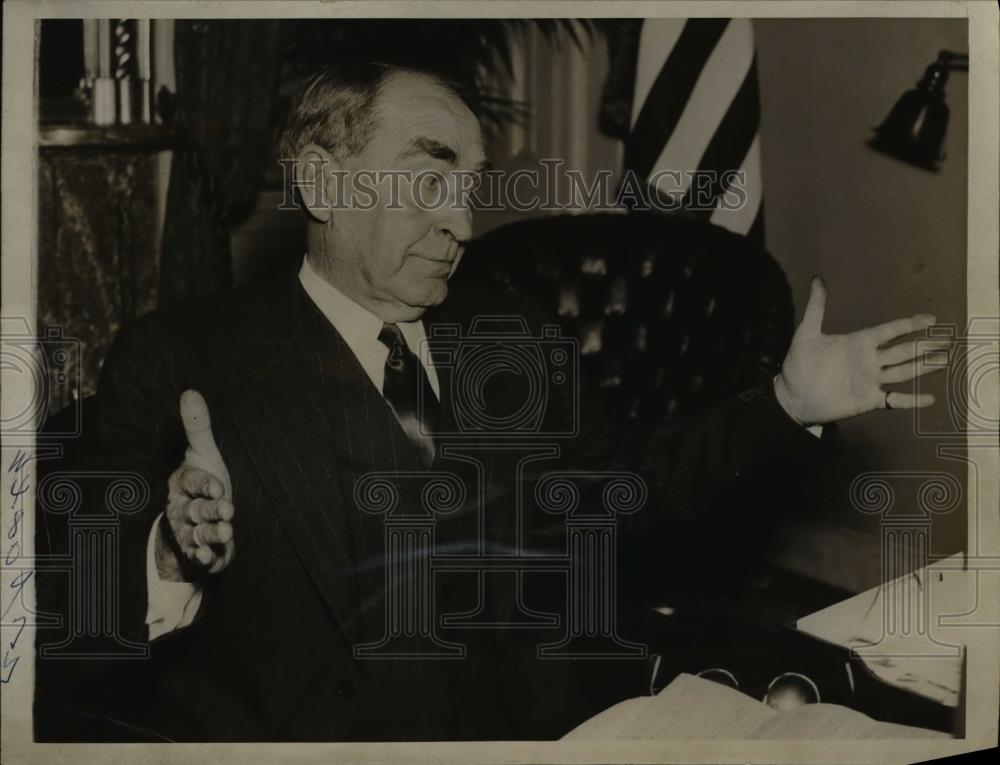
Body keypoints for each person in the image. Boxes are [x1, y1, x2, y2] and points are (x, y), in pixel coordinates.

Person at [36, 62, 948, 742]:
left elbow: (627, 495)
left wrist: (786, 404)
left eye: (469, 188)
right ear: (320, 183)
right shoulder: (183, 356)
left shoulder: (506, 332)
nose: (463, 223)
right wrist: (167, 548)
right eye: (430, 179)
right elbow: (75, 613)